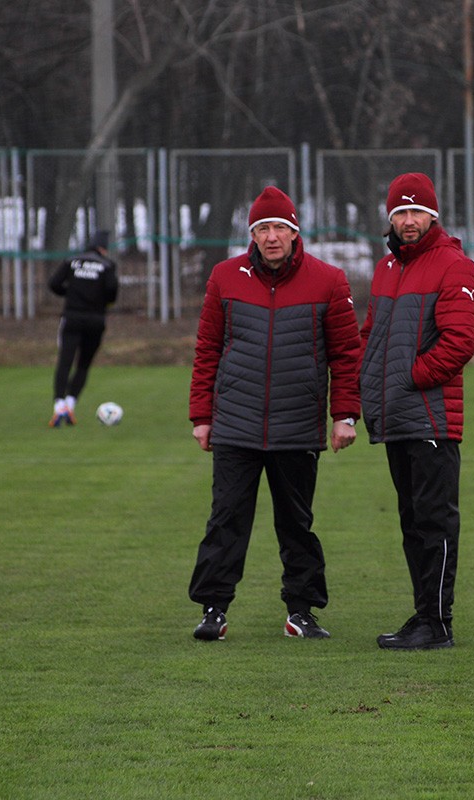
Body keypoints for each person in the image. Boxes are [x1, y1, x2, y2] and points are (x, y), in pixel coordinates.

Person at [188, 186, 361, 641]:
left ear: (294, 232)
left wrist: (345, 414)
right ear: (252, 234)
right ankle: (213, 610)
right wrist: (201, 416)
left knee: (296, 525)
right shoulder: (225, 277)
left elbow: (346, 355)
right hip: (235, 426)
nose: (271, 237)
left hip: (298, 427)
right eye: (262, 228)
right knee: (225, 520)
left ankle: (301, 612)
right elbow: (207, 350)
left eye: (279, 228)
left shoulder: (329, 280)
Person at [359, 173, 474, 650]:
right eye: (400, 213)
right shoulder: (388, 267)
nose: (408, 222)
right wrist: (371, 386)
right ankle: (423, 615)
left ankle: (438, 623)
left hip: (431, 417)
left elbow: (459, 343)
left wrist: (407, 378)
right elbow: (370, 336)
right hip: (396, 418)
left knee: (434, 521)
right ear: (390, 218)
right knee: (412, 522)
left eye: (416, 213)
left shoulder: (455, 266)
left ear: (433, 215)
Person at [47, 229, 119, 427]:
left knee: (65, 361)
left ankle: (59, 406)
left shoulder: (72, 261)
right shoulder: (107, 265)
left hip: (72, 317)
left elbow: (53, 284)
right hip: (95, 320)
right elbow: (112, 293)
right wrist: (100, 301)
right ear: (103, 249)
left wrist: (69, 293)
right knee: (84, 364)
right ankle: (70, 405)